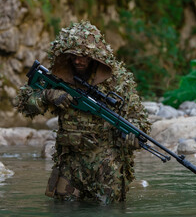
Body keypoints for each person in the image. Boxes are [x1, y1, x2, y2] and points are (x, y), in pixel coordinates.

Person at [14, 20, 151, 204]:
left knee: (109, 211)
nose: (78, 60)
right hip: (69, 163)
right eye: (73, 55)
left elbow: (138, 117)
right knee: (62, 210)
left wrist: (134, 135)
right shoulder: (57, 75)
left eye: (84, 56)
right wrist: (47, 95)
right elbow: (23, 104)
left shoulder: (118, 81)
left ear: (95, 56)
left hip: (106, 165)